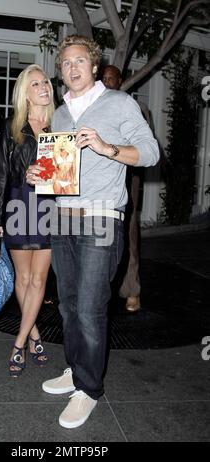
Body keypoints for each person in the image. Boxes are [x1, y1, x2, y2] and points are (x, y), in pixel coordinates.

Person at [27, 35, 159, 429]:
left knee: (89, 307)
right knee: (67, 304)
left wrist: (108, 147)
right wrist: (39, 175)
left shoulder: (119, 103)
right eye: (65, 63)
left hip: (102, 219)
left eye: (79, 61)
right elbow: (60, 174)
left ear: (94, 66)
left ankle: (89, 390)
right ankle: (75, 368)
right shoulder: (62, 114)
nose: (72, 68)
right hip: (64, 219)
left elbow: (150, 152)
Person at [0, 64, 55, 377]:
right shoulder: (12, 126)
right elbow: (2, 173)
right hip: (18, 204)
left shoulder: (62, 124)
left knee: (40, 280)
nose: (43, 88)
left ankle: (18, 343)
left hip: (50, 208)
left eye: (45, 82)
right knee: (24, 278)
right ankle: (35, 335)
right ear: (25, 95)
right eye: (35, 84)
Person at [102, 64, 146, 312]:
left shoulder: (133, 108)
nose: (107, 83)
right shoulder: (93, 107)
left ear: (121, 81)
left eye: (112, 79)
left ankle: (132, 289)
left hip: (127, 182)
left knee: (128, 236)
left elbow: (144, 150)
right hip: (98, 188)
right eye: (104, 79)